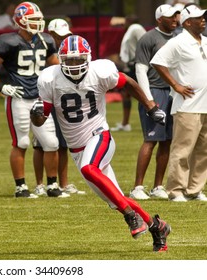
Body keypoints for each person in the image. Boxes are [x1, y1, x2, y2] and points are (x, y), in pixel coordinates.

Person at [31, 35, 171, 252]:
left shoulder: (100, 71)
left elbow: (129, 83)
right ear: (60, 59)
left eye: (79, 60)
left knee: (90, 168)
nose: (75, 65)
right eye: (70, 60)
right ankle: (157, 226)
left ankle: (130, 217)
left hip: (99, 136)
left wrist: (151, 107)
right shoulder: (50, 78)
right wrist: (36, 114)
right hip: (77, 148)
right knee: (115, 198)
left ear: (88, 58)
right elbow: (41, 118)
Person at [0, 2, 67, 198]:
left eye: (39, 19)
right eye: (33, 20)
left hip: (39, 97)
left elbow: (55, 64)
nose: (38, 23)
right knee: (21, 142)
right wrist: (0, 86)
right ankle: (21, 186)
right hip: (18, 97)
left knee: (51, 143)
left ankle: (52, 185)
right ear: (21, 21)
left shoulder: (46, 40)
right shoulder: (8, 41)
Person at [151, 5, 207, 202]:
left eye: (204, 17)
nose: (203, 20)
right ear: (187, 22)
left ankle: (194, 189)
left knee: (203, 150)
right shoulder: (178, 42)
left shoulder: (205, 41)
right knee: (182, 150)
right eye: (199, 18)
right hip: (187, 106)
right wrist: (175, 85)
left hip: (205, 105)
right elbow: (158, 61)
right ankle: (175, 190)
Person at [129, 4, 180, 200]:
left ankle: (158, 185)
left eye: (176, 15)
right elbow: (140, 70)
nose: (175, 19)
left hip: (173, 92)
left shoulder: (178, 38)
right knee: (150, 140)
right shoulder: (148, 38)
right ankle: (138, 186)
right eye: (170, 16)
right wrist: (149, 100)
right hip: (154, 91)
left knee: (167, 141)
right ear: (159, 19)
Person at [32, 18, 85, 195]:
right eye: (59, 36)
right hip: (43, 96)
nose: (62, 39)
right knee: (41, 144)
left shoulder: (66, 50)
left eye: (66, 35)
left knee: (62, 143)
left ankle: (63, 183)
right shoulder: (43, 47)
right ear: (51, 34)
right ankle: (40, 183)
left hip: (60, 99)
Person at [111, 15, 146, 132]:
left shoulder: (136, 28)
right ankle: (125, 123)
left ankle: (151, 119)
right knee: (126, 94)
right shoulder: (131, 30)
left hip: (136, 66)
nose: (124, 23)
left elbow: (146, 42)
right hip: (130, 65)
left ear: (130, 21)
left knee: (143, 94)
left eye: (126, 21)